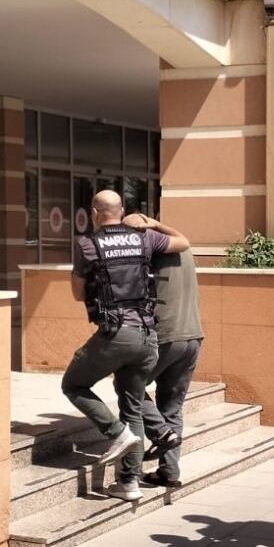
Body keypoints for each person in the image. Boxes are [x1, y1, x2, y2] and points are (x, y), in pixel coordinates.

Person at [63, 191, 189, 502]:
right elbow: (183, 242)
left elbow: (78, 294)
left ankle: (116, 433)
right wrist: (153, 223)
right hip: (147, 336)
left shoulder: (87, 245)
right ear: (121, 211)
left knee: (73, 384)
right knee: (132, 406)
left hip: (116, 334)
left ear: (95, 213)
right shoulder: (145, 238)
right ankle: (129, 482)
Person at [126, 213, 203, 488]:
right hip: (193, 336)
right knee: (172, 406)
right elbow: (182, 237)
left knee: (129, 385)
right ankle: (169, 472)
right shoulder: (184, 250)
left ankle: (160, 432)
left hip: (166, 337)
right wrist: (156, 224)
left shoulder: (149, 253)